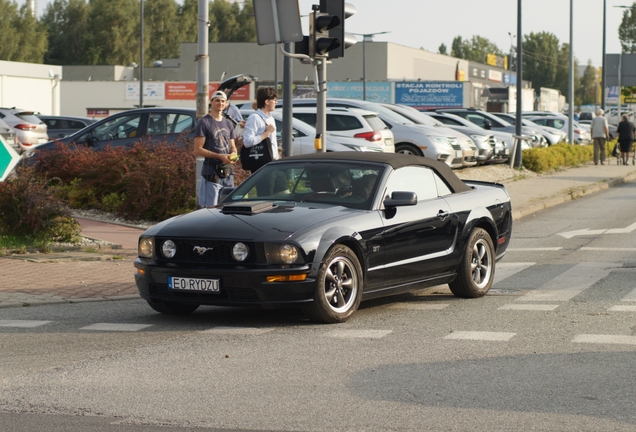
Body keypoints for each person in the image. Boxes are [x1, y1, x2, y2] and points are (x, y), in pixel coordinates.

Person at [193, 90, 238, 207]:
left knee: (227, 207)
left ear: (226, 104)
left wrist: (233, 155)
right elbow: (198, 150)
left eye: (223, 101)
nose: (220, 103)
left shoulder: (228, 123)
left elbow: (233, 146)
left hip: (228, 172)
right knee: (210, 209)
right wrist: (219, 156)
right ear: (211, 102)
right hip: (211, 172)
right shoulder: (204, 122)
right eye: (217, 100)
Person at [243, 87, 285, 195]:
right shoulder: (254, 118)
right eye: (274, 100)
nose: (276, 102)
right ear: (266, 101)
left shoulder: (271, 118)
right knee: (266, 198)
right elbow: (247, 142)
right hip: (262, 165)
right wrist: (266, 133)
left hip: (275, 163)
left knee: (284, 195)